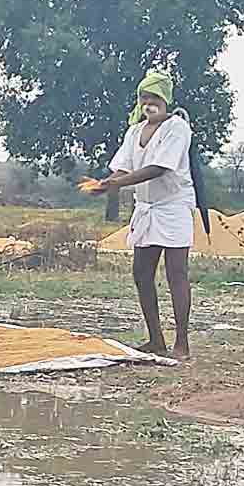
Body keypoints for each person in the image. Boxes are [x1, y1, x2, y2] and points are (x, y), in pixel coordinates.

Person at [89, 69, 198, 360]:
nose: (149, 104)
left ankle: (182, 344)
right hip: (146, 209)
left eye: (154, 98)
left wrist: (118, 183)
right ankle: (156, 340)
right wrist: (104, 183)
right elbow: (122, 167)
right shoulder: (134, 131)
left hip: (174, 207)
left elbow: (160, 168)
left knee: (177, 274)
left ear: (165, 100)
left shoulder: (177, 128)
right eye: (144, 98)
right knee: (141, 273)